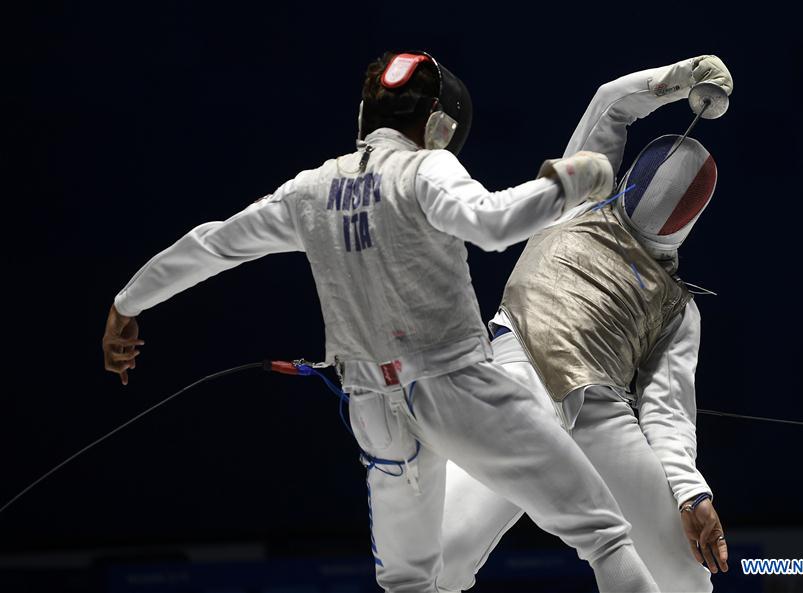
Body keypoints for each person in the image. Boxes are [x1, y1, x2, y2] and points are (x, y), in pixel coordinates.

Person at [101, 51, 663, 592]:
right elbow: (493, 225)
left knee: (410, 583)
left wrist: (128, 304)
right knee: (602, 533)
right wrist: (567, 182)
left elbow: (215, 243)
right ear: (440, 127)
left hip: (374, 411)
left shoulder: (309, 190)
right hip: (457, 387)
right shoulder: (426, 169)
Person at [437, 56, 734, 593]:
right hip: (517, 384)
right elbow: (612, 104)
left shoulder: (675, 305)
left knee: (684, 583)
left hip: (591, 414)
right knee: (439, 554)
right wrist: (683, 76)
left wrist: (692, 494)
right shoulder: (580, 202)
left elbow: (667, 413)